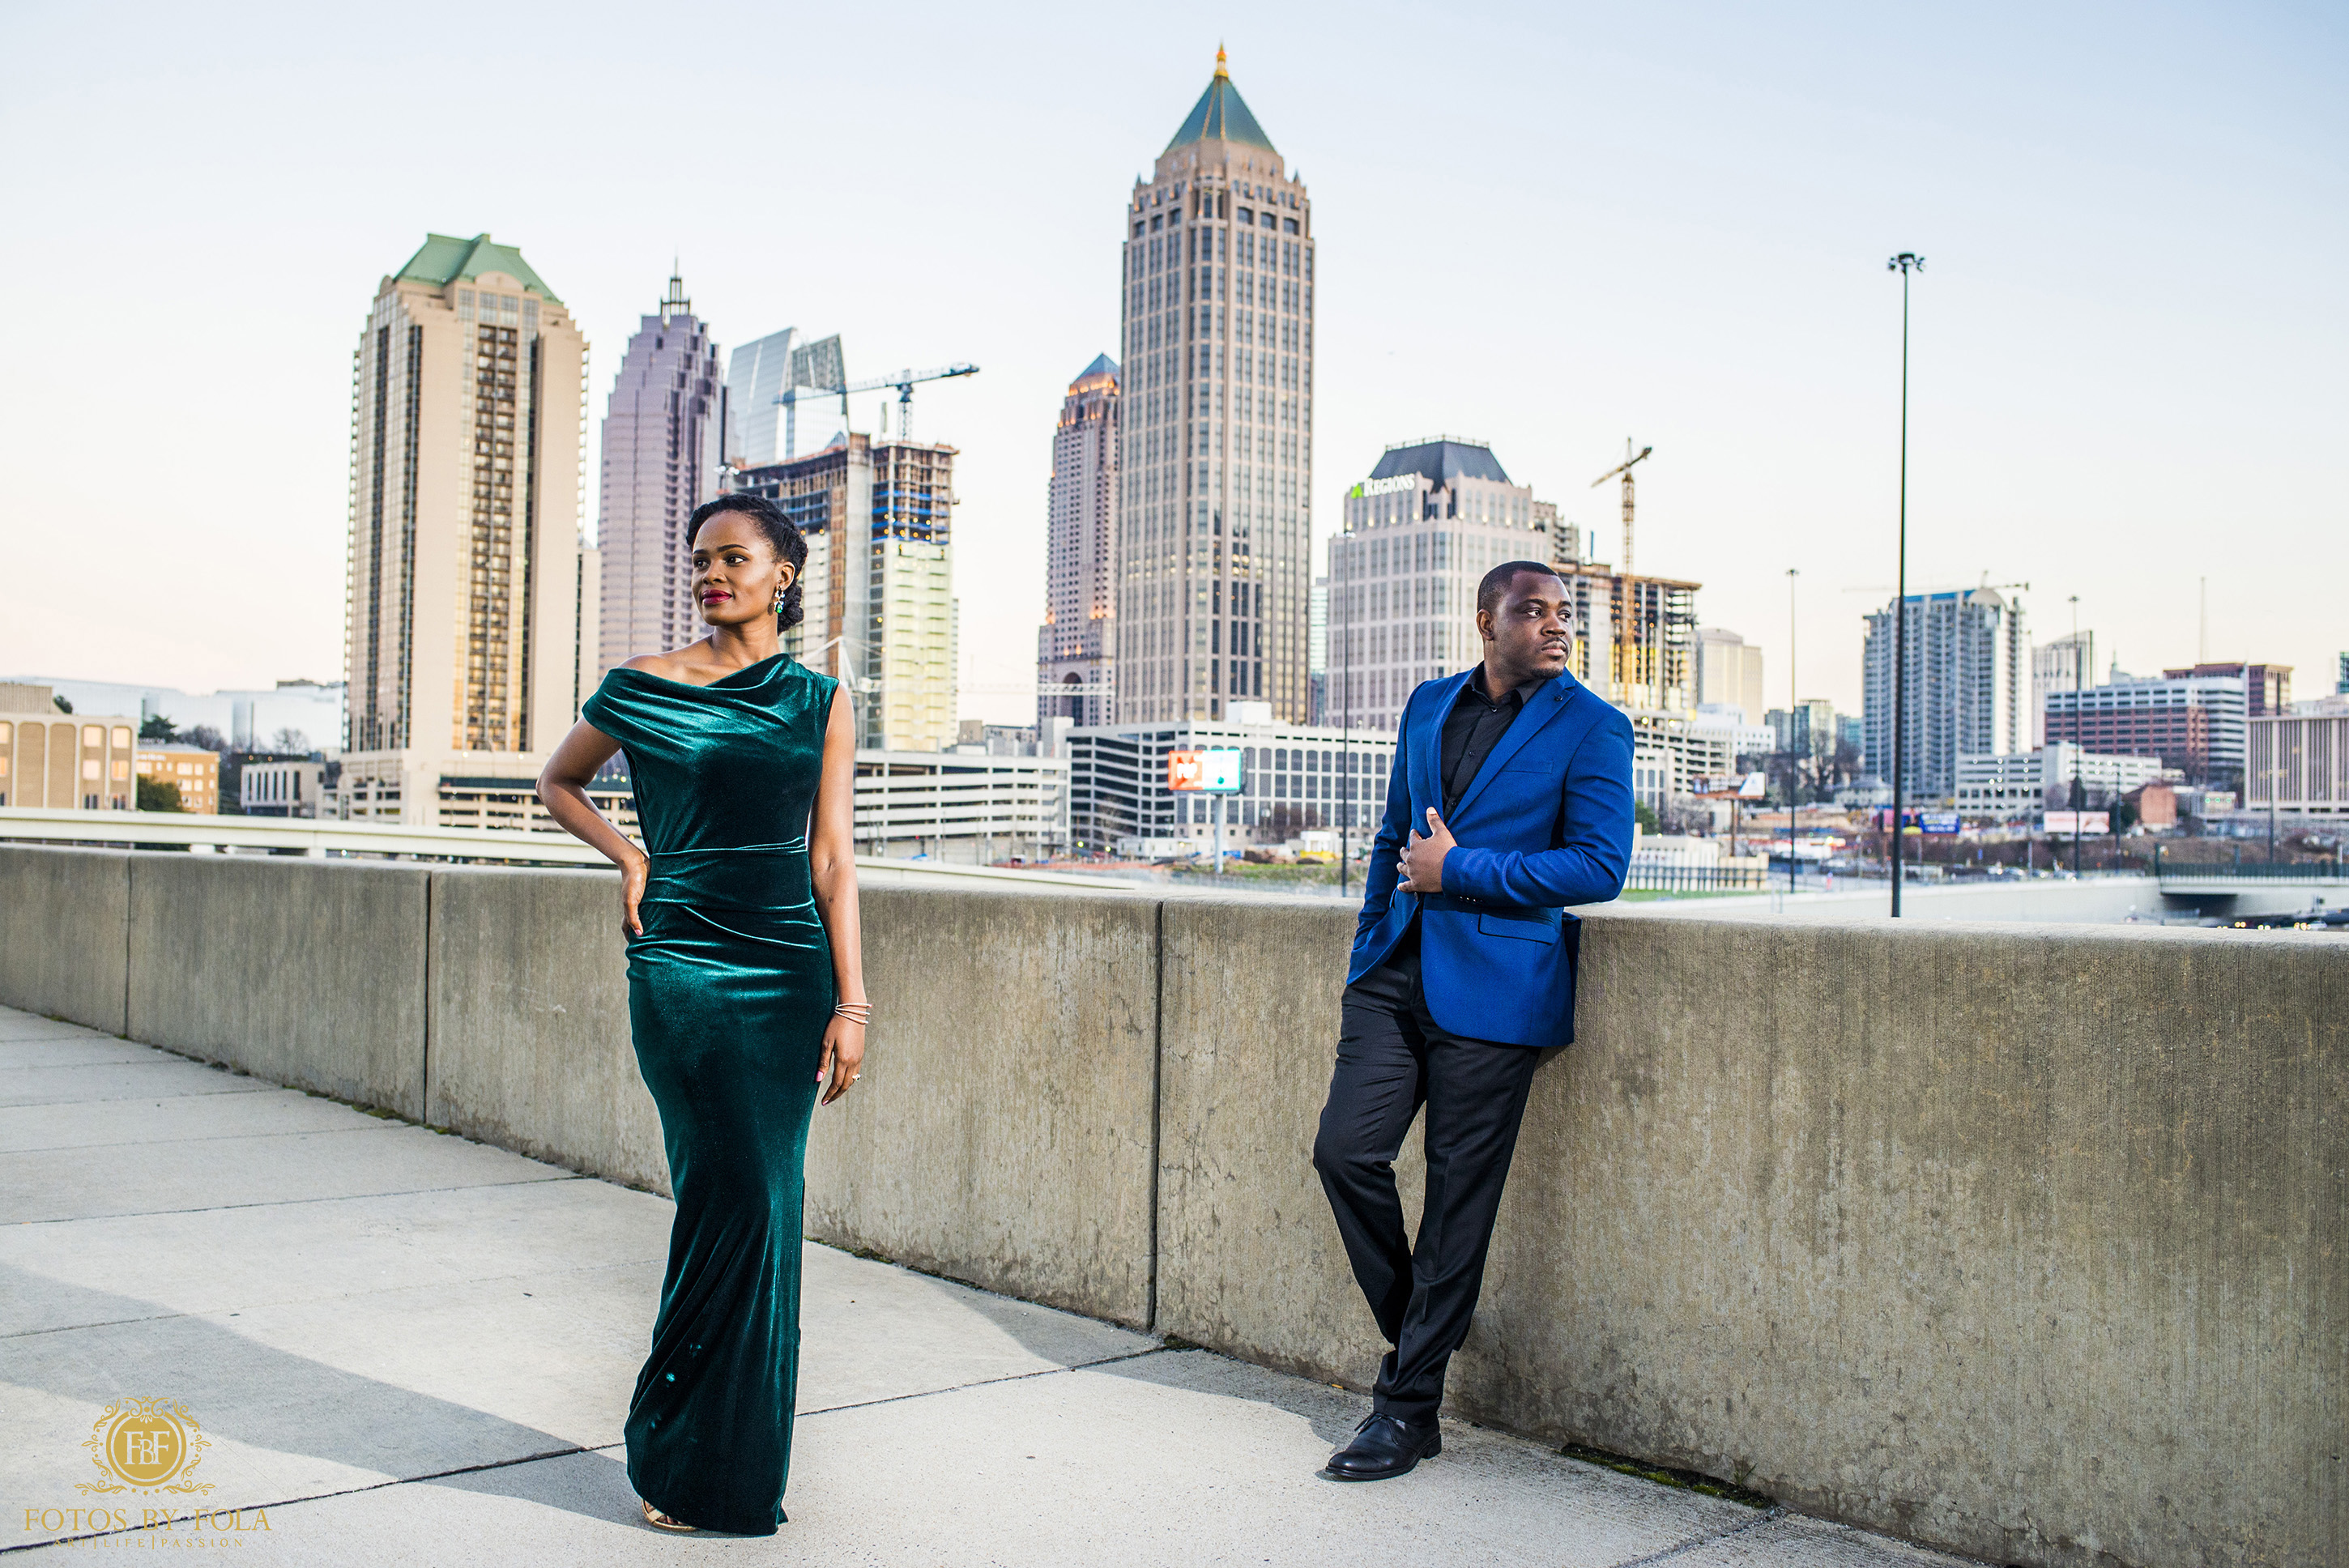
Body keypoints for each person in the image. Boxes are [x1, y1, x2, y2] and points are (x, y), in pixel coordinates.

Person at [536, 492, 868, 1535]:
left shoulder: (819, 699)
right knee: (729, 1203)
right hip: (679, 963)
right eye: (698, 561)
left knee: (766, 1210)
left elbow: (831, 859)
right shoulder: (639, 686)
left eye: (732, 558)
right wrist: (630, 852)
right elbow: (560, 781)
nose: (709, 575)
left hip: (788, 975)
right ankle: (687, 1459)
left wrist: (852, 999)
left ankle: (716, 1464)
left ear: (785, 575)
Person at [1312, 560, 1633, 1481]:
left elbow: (1597, 867)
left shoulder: (1593, 728)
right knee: (1344, 1153)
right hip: (1392, 979)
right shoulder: (1426, 703)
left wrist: (1462, 872)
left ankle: (1406, 1409)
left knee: (1457, 1203)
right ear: (1486, 621)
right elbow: (1389, 837)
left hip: (1499, 991)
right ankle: (1428, 1324)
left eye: (1562, 613)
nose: (1554, 626)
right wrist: (1368, 945)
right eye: (1531, 611)